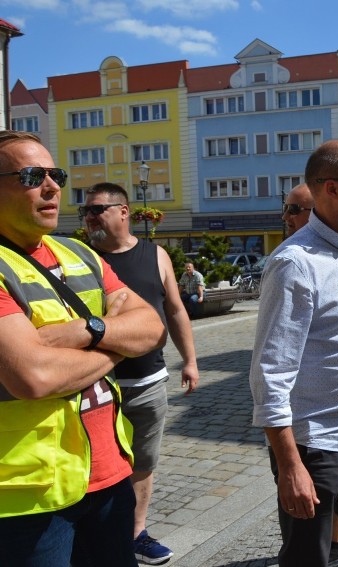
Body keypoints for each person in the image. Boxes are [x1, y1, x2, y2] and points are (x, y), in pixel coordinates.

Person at [0, 130, 165, 565]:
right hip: (26, 499)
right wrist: (118, 342)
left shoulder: (78, 253)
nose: (52, 186)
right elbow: (35, 376)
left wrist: (87, 332)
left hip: (109, 477)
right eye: (31, 176)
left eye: (55, 174)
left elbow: (151, 326)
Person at [249, 139, 338, 566]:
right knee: (309, 557)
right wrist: (290, 465)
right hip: (315, 446)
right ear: (331, 188)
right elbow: (270, 372)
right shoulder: (295, 263)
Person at [84, 182, 200, 564]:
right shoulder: (81, 259)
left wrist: (190, 360)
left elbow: (176, 309)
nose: (90, 216)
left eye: (99, 208)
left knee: (143, 461)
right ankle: (97, 536)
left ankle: (136, 533)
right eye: (87, 210)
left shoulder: (156, 255)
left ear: (123, 211)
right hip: (98, 383)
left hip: (149, 380)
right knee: (95, 464)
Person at [275, 181, 338, 565]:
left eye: (294, 209)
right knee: (303, 535)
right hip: (304, 426)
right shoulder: (290, 262)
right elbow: (271, 368)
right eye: (285, 209)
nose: (286, 218)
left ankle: (336, 548)